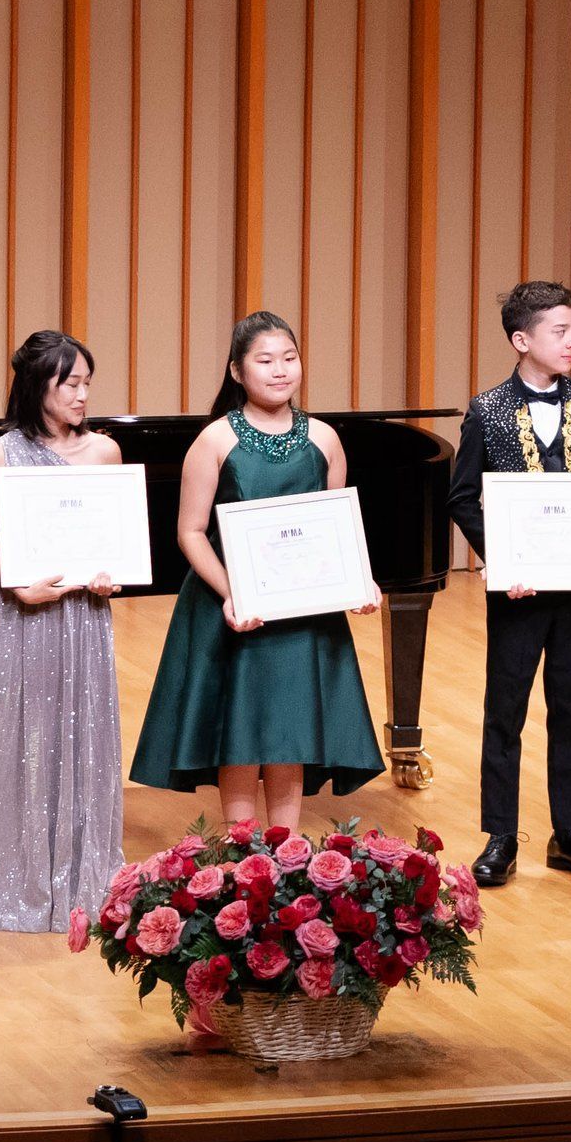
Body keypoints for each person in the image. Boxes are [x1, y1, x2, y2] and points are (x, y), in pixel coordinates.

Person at [129, 311, 383, 831]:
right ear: (237, 371)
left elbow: (333, 526)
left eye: (289, 358)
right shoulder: (215, 440)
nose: (280, 370)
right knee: (239, 729)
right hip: (232, 605)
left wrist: (361, 578)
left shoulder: (325, 438)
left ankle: (286, 855)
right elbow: (190, 532)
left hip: (304, 609)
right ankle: (243, 854)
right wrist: (234, 593)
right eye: (265, 361)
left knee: (293, 727)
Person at [448, 281, 571, 886]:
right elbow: (462, 497)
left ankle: (569, 832)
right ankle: (501, 834)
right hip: (519, 592)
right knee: (506, 709)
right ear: (521, 339)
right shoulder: (487, 409)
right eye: (561, 331)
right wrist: (502, 560)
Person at [0, 331, 125, 932]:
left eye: (86, 382)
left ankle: (87, 883)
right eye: (70, 384)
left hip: (85, 617)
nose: (83, 395)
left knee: (87, 736)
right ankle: (18, 883)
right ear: (38, 387)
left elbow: (114, 542)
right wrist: (18, 583)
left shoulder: (105, 452)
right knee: (23, 740)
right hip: (26, 616)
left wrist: (110, 577)